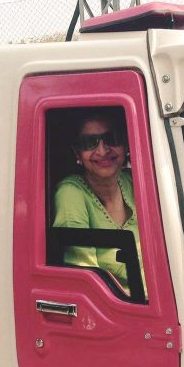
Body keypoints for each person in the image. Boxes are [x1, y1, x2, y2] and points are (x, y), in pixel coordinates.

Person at [52, 111, 144, 295]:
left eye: (112, 138)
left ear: (126, 143)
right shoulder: (71, 194)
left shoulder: (135, 182)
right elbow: (84, 282)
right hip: (122, 311)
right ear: (77, 152)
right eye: (89, 143)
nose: (102, 151)